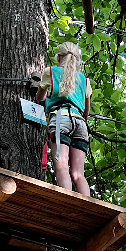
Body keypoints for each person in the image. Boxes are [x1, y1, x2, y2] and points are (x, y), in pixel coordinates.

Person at [35, 42, 92, 196]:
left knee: (61, 167)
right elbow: (86, 111)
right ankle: (87, 209)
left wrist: (45, 93)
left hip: (60, 119)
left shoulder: (50, 72)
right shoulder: (84, 80)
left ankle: (67, 202)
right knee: (78, 174)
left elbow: (39, 97)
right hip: (80, 124)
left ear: (59, 58)